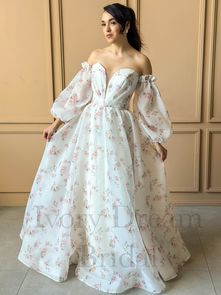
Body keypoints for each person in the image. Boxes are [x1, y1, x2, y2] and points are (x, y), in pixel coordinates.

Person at [17, 2, 191, 294]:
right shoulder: (95, 56)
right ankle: (88, 243)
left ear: (126, 25)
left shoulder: (140, 61)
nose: (106, 29)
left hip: (120, 133)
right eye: (102, 24)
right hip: (89, 130)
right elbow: (78, 95)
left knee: (117, 190)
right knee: (85, 188)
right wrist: (55, 124)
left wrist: (157, 140)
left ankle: (120, 249)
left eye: (112, 23)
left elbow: (146, 107)